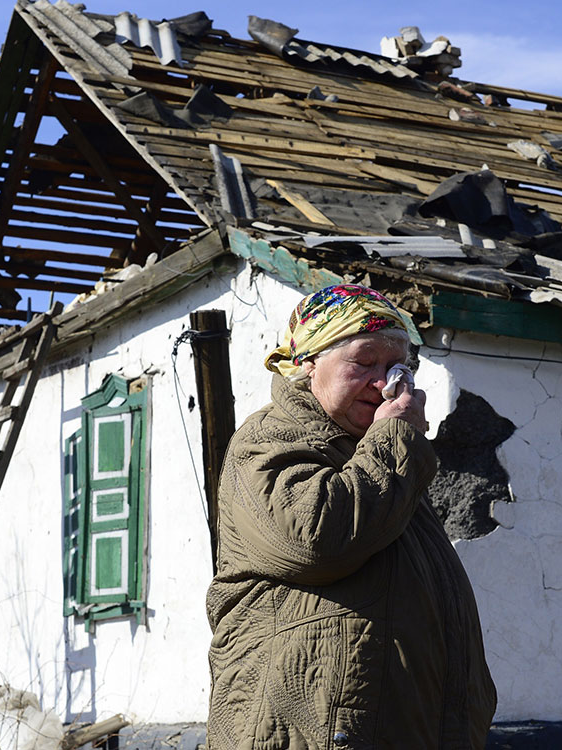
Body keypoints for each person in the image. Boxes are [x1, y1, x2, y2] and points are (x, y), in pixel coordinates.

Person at [206, 284, 497, 749]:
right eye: (364, 363)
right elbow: (317, 539)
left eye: (397, 367)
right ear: (307, 366)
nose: (385, 383)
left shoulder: (373, 455)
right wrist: (395, 438)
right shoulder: (271, 439)